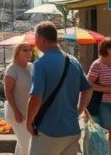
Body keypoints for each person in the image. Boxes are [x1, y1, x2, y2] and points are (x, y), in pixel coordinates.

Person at [25, 21, 91, 155]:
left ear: (42, 39)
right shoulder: (73, 61)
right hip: (72, 130)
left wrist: (29, 121)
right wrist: (78, 112)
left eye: (36, 38)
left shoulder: (40, 64)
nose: (35, 42)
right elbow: (88, 89)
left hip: (49, 131)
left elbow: (36, 98)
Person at [86, 37, 111, 155]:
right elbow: (88, 83)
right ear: (105, 49)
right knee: (103, 130)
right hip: (104, 103)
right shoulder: (97, 64)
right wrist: (106, 89)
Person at [4, 43, 34, 155]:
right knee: (26, 144)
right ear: (17, 52)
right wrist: (16, 111)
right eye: (25, 50)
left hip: (29, 112)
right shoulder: (12, 68)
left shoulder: (31, 67)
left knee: (22, 143)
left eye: (30, 50)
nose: (28, 52)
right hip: (17, 112)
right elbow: (7, 91)